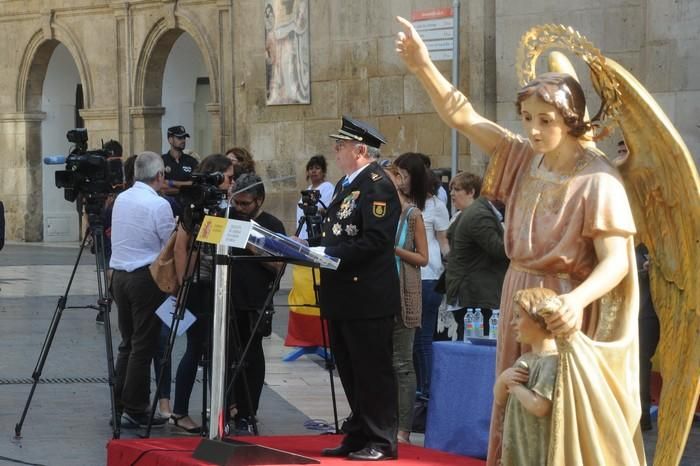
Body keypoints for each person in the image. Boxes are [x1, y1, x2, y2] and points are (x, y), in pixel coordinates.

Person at [396, 18, 641, 465]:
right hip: (518, 291)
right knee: (513, 393)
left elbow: (617, 261)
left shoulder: (598, 180)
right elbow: (463, 115)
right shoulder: (525, 159)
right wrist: (423, 66)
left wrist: (575, 301)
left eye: (545, 121)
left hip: (566, 302)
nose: (532, 129)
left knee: (555, 408)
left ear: (569, 121)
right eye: (527, 118)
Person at [319, 116, 401, 461]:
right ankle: (358, 433)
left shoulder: (377, 185)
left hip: (366, 294)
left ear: (360, 149)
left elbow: (375, 241)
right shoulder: (346, 184)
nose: (336, 151)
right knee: (350, 369)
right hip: (343, 294)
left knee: (372, 371)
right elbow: (339, 231)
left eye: (342, 146)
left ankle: (381, 439)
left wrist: (328, 254)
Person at [168, 154, 235, 434]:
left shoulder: (224, 206)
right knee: (196, 348)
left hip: (220, 282)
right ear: (217, 177)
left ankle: (221, 406)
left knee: (219, 348)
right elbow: (181, 247)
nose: (233, 183)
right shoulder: (196, 208)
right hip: (200, 284)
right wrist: (184, 283)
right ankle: (180, 411)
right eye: (230, 178)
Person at [110, 151, 175, 428]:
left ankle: (119, 401)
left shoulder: (122, 199)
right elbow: (169, 242)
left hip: (120, 277)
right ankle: (136, 407)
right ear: (159, 176)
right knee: (142, 345)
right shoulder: (158, 205)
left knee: (128, 342)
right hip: (143, 278)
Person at [227, 172, 286, 434]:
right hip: (226, 299)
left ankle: (248, 412)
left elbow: (279, 266)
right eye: (236, 203)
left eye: (245, 204)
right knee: (226, 355)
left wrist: (252, 245)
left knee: (251, 357)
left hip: (255, 302)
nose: (239, 209)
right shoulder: (229, 218)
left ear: (259, 201)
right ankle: (227, 406)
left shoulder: (271, 224)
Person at [385, 155, 429, 445]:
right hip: (383, 292)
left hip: (404, 292)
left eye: (399, 175)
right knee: (384, 362)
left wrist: (395, 250)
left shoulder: (413, 216)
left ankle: (403, 429)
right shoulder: (386, 212)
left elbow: (423, 258)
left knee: (402, 363)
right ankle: (384, 423)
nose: (394, 180)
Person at [495, 288, 559, 466]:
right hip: (518, 441)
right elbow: (500, 399)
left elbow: (540, 407)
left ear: (539, 320)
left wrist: (514, 386)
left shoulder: (552, 362)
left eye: (518, 316)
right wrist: (503, 380)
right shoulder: (526, 359)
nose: (512, 323)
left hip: (536, 447)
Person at [444, 172, 508, 341]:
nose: (452, 194)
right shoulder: (477, 214)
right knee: (479, 347)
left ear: (471, 192)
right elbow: (500, 250)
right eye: (452, 189)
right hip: (476, 296)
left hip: (471, 293)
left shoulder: (471, 212)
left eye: (456, 189)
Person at [412, 155, 449, 401]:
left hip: (429, 273)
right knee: (414, 337)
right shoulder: (404, 203)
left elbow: (443, 242)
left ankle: (428, 390)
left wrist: (451, 270)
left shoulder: (436, 205)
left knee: (424, 336)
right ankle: (419, 387)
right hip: (411, 272)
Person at [295, 154, 334, 240]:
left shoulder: (328, 187)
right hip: (303, 236)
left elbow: (326, 211)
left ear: (323, 171)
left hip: (316, 235)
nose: (313, 171)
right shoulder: (308, 190)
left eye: (317, 168)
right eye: (311, 168)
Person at [162, 126, 198, 208]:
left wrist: (171, 183)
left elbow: (195, 184)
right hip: (168, 205)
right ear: (170, 140)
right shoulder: (161, 161)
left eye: (184, 138)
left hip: (188, 206)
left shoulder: (192, 161)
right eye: (179, 138)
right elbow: (162, 187)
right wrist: (186, 189)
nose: (183, 140)